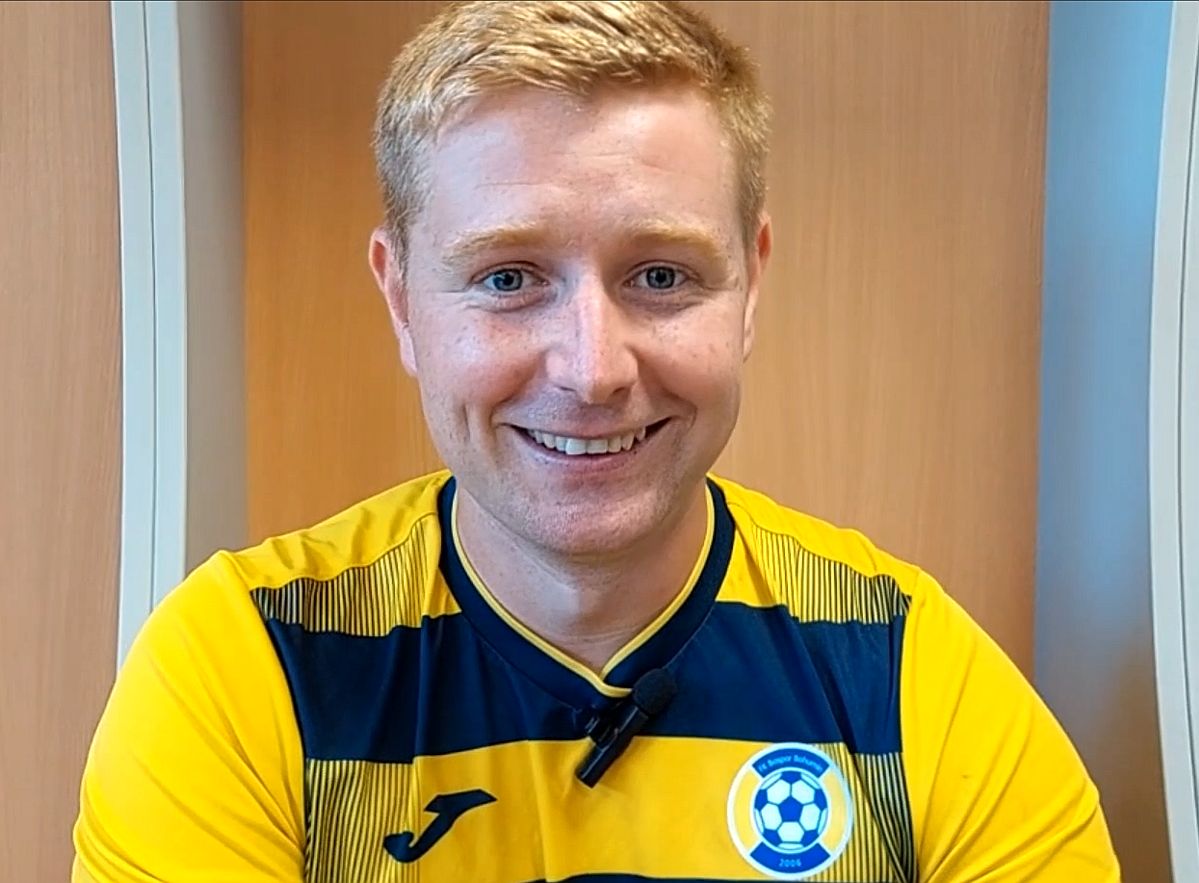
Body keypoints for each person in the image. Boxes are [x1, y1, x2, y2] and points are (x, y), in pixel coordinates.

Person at [73, 2, 1120, 881]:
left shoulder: (905, 670)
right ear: (400, 300)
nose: (592, 369)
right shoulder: (243, 667)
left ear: (749, 284)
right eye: (506, 278)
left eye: (660, 275)